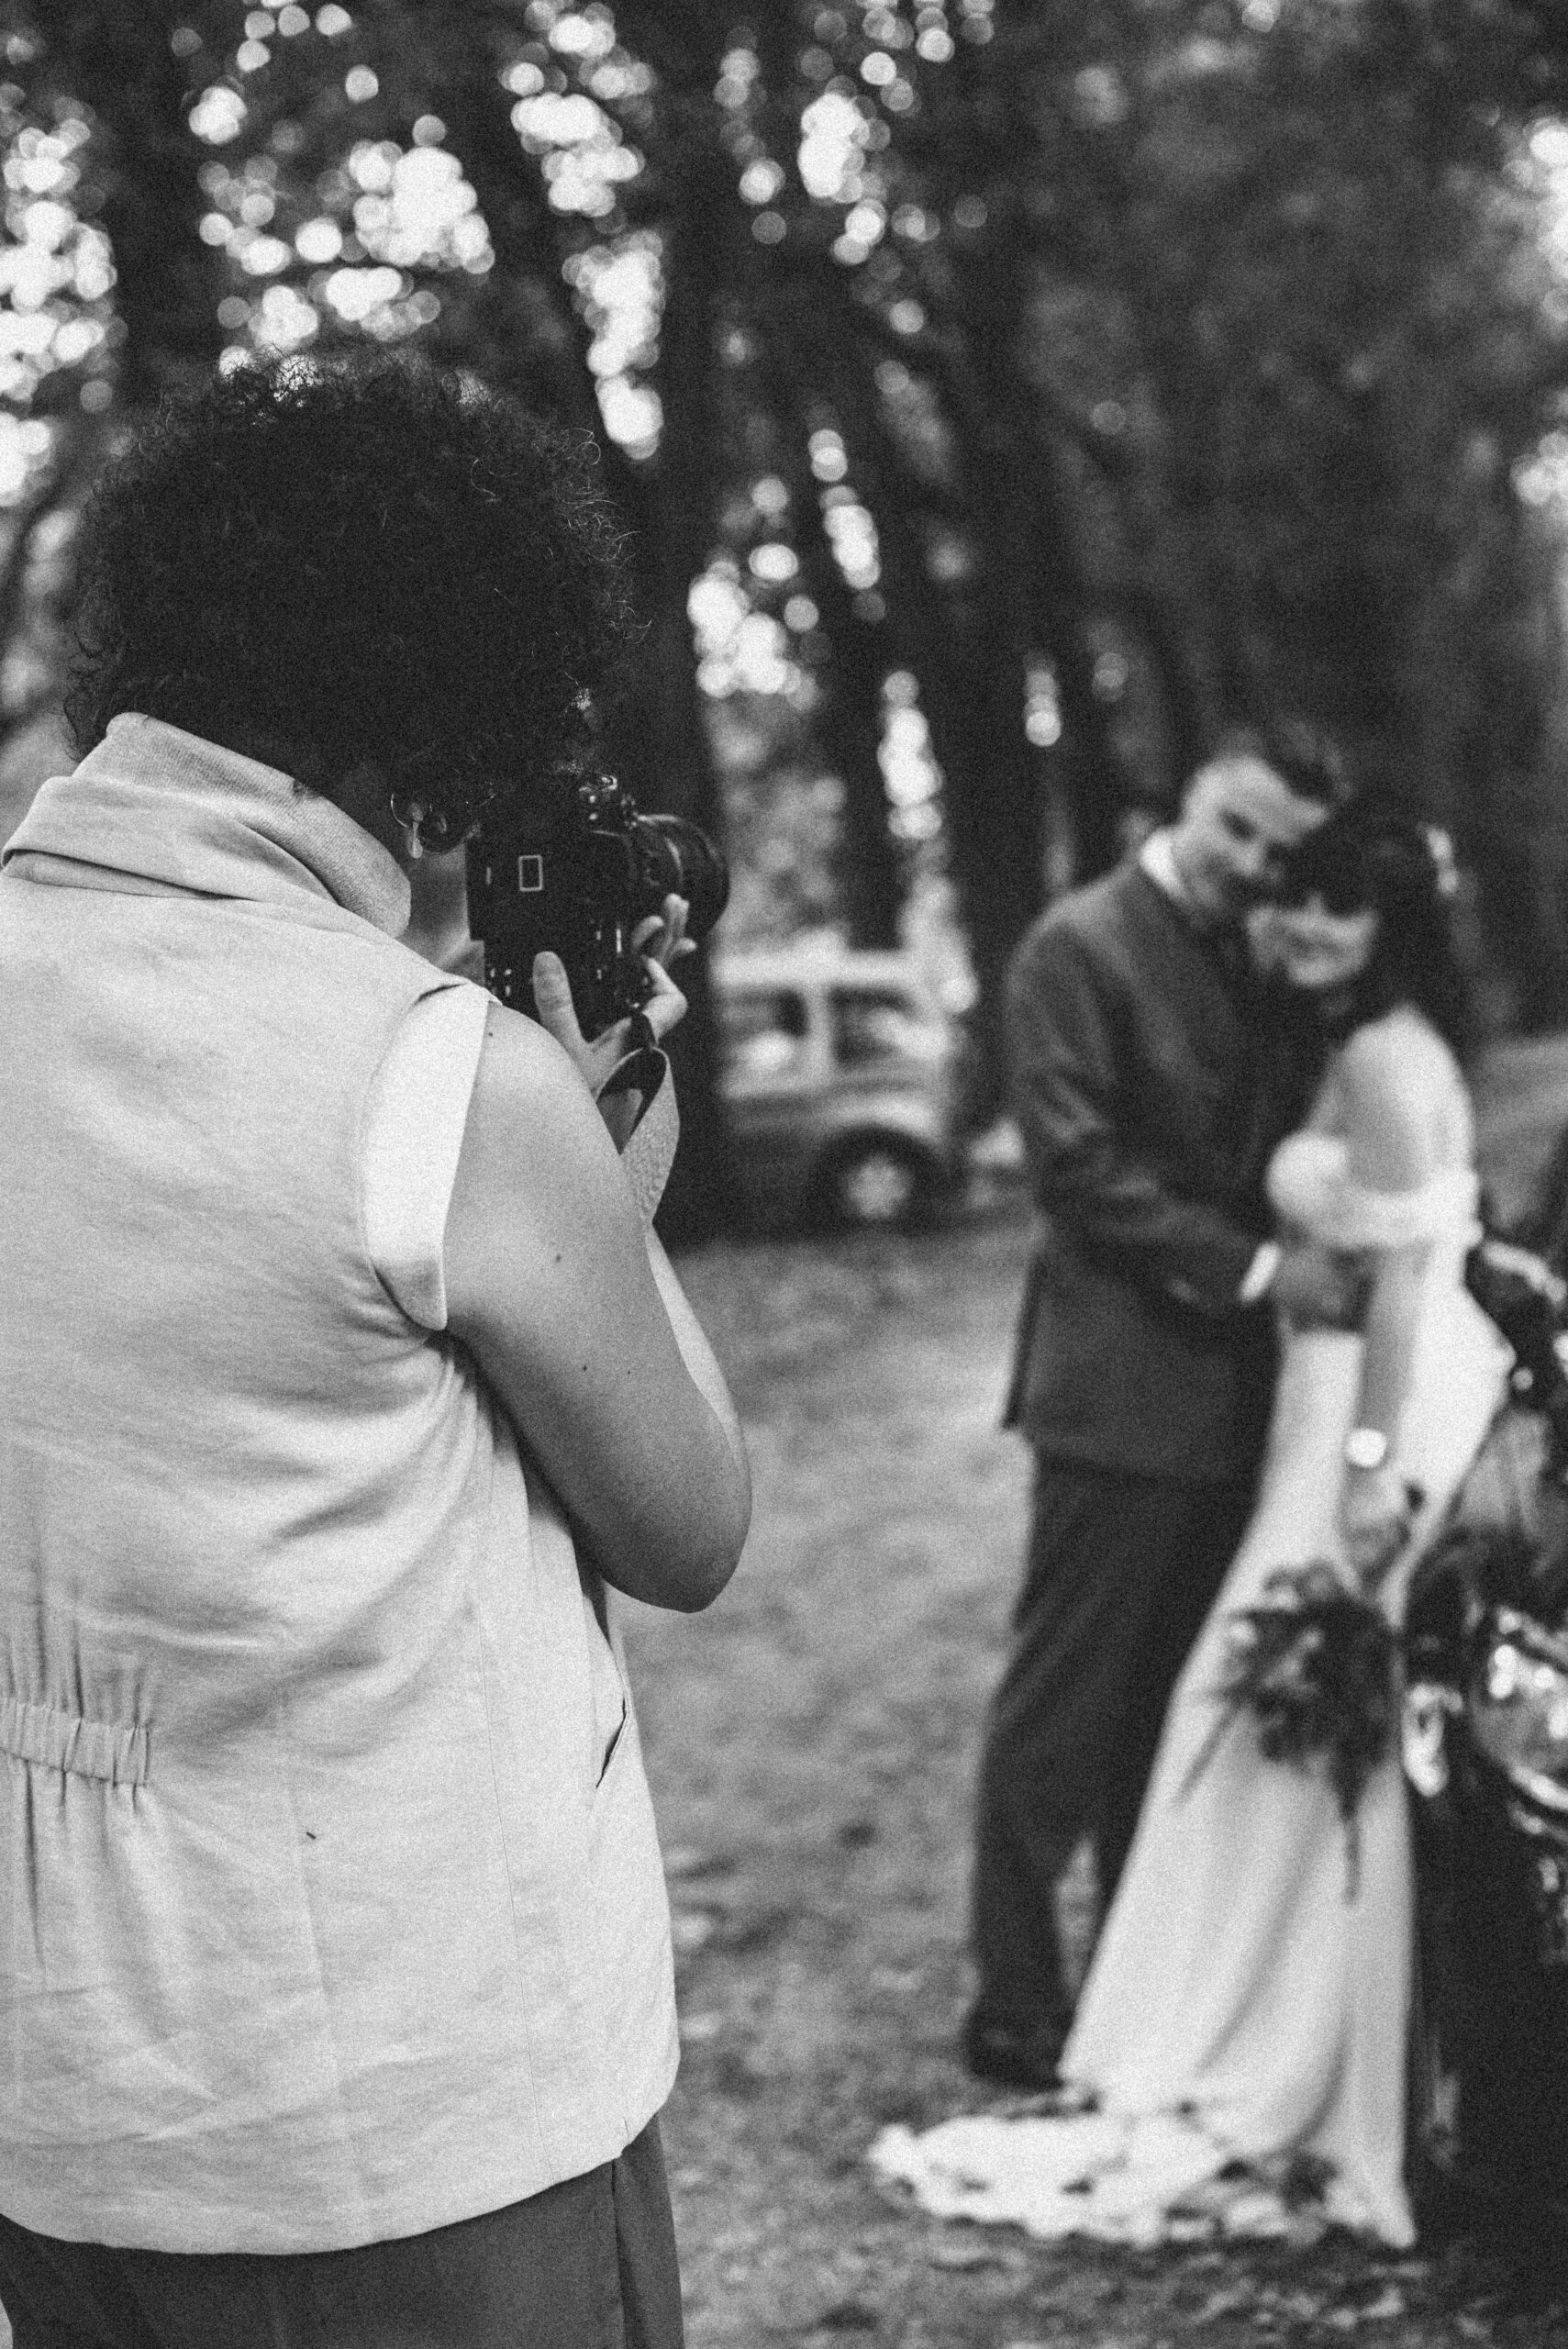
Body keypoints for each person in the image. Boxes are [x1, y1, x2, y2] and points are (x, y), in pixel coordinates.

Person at [0, 353, 751, 2348]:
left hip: (57, 2115)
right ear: (447, 707)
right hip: (421, 2127)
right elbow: (690, 1526)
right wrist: (589, 1147)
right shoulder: (440, 1078)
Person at [882, 802, 1509, 2245]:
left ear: (1389, 925)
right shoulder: (1330, 1027)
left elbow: (1402, 1282)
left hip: (1355, 1416)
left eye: (1334, 906)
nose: (1297, 923)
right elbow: (1095, 1168)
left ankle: (1276, 2033)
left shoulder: (1380, 1056)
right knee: (1186, 1711)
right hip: (1285, 1403)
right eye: (1290, 894)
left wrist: (1367, 1463)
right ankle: (1086, 2003)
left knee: (1268, 1723)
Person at [965, 731, 1350, 2091]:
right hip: (1117, 1398)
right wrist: (1256, 1272)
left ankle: (1134, 1992)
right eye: (1235, 827)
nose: (1250, 862)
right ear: (1189, 794)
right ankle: (1013, 2003)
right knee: (1062, 1715)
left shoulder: (1261, 956)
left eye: (1276, 849)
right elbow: (1075, 1169)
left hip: (1241, 1405)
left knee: (1168, 1711)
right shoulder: (1074, 947)